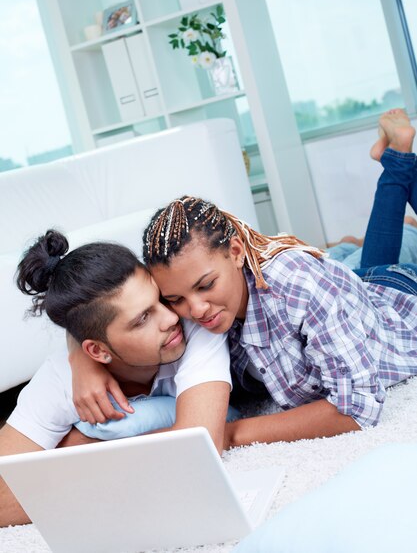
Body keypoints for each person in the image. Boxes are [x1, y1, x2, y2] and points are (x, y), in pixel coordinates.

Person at [71, 108, 417, 446]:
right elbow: (100, 307)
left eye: (206, 285)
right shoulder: (175, 306)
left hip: (399, 298)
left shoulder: (299, 284)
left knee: (381, 261)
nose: (197, 310)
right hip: (352, 288)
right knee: (360, 261)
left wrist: (231, 433)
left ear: (237, 253)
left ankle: (396, 171)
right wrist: (84, 361)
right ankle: (392, 167)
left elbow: (358, 409)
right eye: (176, 299)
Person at [0, 232, 233, 527]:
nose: (170, 318)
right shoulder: (59, 380)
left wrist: (80, 447)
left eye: (160, 299)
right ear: (97, 351)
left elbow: (199, 449)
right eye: (143, 319)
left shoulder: (192, 327)